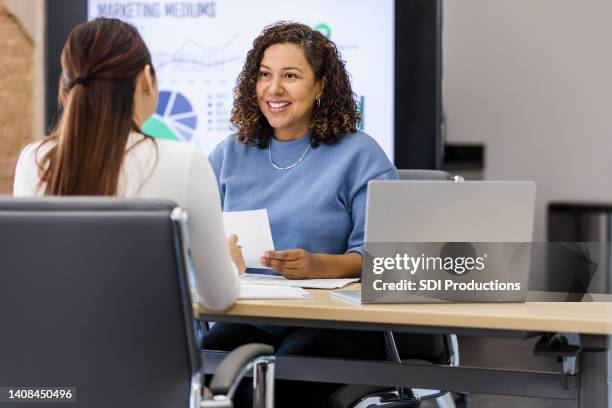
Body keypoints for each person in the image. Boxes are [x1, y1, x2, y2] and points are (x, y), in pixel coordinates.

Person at [204, 22, 399, 407]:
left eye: (290, 76)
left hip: (339, 325)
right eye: (264, 75)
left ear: (321, 86)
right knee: (196, 374)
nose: (273, 89)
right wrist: (216, 257)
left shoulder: (361, 155)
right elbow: (193, 241)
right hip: (250, 314)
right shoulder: (229, 154)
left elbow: (384, 261)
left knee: (271, 388)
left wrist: (316, 266)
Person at [12, 18, 242, 311]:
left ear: (67, 86)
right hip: (150, 357)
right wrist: (233, 266)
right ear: (146, 78)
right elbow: (219, 298)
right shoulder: (183, 161)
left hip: (51, 355)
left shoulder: (33, 160)